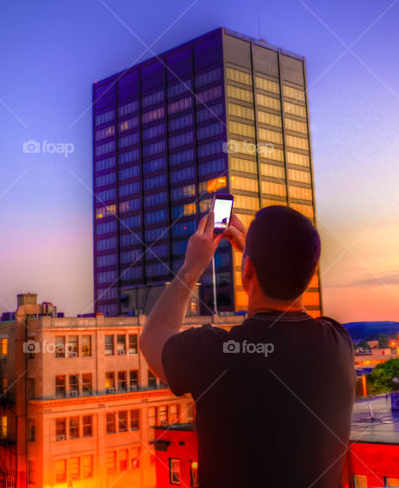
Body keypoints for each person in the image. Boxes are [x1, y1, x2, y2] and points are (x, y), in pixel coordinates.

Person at [140, 205, 355, 488]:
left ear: (248, 270)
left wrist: (191, 269)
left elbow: (152, 336)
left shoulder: (216, 355)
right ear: (312, 275)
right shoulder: (338, 345)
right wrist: (256, 259)